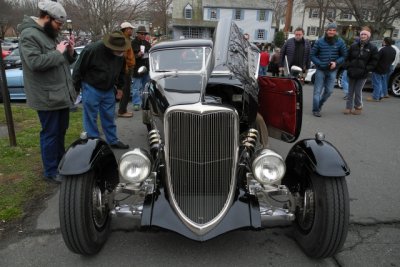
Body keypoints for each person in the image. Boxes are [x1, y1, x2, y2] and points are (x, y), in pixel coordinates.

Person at [18, 1, 77, 183]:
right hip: (46, 96)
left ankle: (61, 163)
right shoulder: (29, 35)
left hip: (60, 94)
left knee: (61, 131)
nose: (59, 28)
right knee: (50, 133)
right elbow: (35, 63)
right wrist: (58, 53)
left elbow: (64, 62)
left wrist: (70, 51)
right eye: (58, 24)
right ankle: (51, 171)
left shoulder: (51, 34)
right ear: (47, 18)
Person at [72, 31, 130, 149]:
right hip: (91, 86)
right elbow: (78, 69)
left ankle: (112, 140)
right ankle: (93, 143)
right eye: (118, 50)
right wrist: (76, 88)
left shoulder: (120, 55)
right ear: (110, 47)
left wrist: (120, 87)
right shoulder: (92, 50)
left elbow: (122, 72)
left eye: (122, 50)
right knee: (90, 116)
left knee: (109, 115)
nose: (121, 52)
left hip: (108, 88)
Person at [310, 20, 347, 117]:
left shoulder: (340, 42)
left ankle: (320, 104)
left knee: (329, 91)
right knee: (317, 91)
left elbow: (344, 56)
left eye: (333, 30)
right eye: (329, 30)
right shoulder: (319, 42)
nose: (331, 32)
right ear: (326, 31)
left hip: (332, 70)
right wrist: (320, 63)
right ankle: (315, 110)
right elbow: (312, 55)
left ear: (335, 31)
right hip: (320, 70)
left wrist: (336, 62)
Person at [342, 28, 378, 115]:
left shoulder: (372, 48)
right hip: (352, 71)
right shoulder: (353, 46)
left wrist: (367, 69)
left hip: (363, 73)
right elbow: (347, 57)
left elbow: (374, 61)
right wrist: (348, 67)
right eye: (362, 34)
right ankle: (348, 107)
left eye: (365, 34)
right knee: (350, 91)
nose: (363, 36)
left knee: (358, 91)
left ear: (368, 36)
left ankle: (358, 107)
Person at [367, 37, 396, 102]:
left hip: (378, 68)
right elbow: (393, 60)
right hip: (386, 68)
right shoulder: (393, 50)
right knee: (381, 82)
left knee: (376, 83)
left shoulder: (382, 49)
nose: (382, 42)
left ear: (385, 42)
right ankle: (380, 95)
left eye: (383, 41)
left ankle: (376, 97)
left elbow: (376, 59)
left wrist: (372, 66)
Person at [117, 22, 136, 118]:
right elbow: (123, 56)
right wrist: (127, 68)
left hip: (127, 69)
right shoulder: (123, 40)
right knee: (125, 91)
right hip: (125, 70)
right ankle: (122, 111)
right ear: (126, 29)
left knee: (127, 90)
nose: (132, 30)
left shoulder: (127, 39)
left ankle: (123, 109)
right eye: (130, 29)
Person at [131, 26, 151, 111]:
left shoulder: (146, 43)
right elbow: (132, 56)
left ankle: (144, 102)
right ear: (138, 34)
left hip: (146, 68)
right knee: (136, 87)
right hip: (137, 68)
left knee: (145, 87)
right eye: (141, 34)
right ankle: (136, 103)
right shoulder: (133, 43)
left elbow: (150, 52)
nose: (143, 35)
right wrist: (138, 55)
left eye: (144, 34)